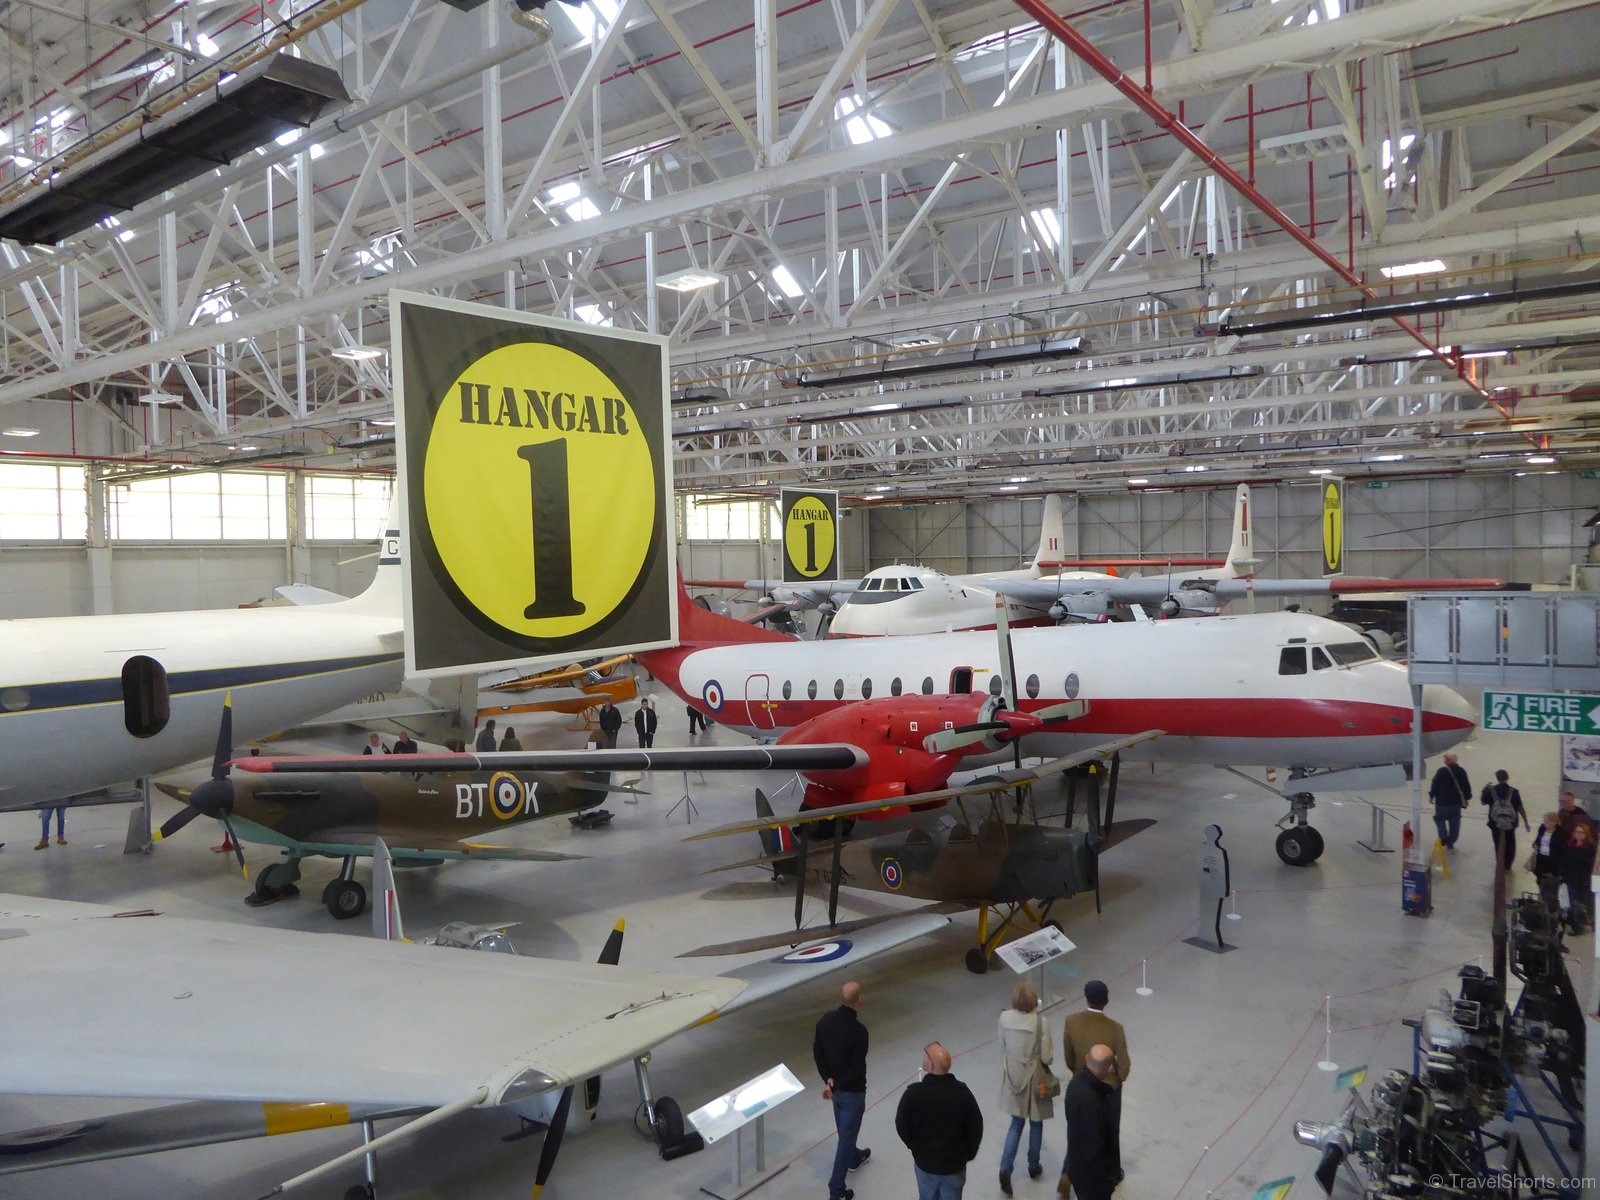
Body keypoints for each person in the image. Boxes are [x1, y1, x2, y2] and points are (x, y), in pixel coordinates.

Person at [894, 1041, 983, 1200]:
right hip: (953, 1167)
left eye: (926, 1055)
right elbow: (976, 1126)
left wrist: (914, 1146)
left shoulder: (913, 1094)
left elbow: (901, 1124)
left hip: (926, 1165)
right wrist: (967, 1154)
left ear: (931, 1064)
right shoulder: (962, 1094)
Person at [813, 981, 871, 1200]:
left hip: (835, 1091)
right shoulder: (860, 1032)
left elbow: (818, 1051)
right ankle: (836, 1187)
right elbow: (856, 1068)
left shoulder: (825, 1021)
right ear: (859, 1001)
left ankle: (854, 1158)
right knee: (845, 1138)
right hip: (852, 1093)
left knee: (846, 1131)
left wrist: (828, 1080)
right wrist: (836, 1085)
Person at [997, 982, 1052, 1196]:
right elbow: (1047, 1056)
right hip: (1035, 1077)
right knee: (1036, 1123)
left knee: (1016, 1122)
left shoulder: (1004, 1018)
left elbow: (1002, 1047)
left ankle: (1005, 1167)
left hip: (1014, 1076)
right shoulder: (1041, 1022)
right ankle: (1033, 1165)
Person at [1061, 980, 1129, 1136]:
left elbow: (1069, 1058)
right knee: (1109, 1136)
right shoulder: (1116, 1029)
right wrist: (1115, 1079)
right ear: (1106, 1001)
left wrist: (1078, 1072)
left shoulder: (1071, 1022)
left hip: (1081, 1085)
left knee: (1078, 1135)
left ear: (1086, 999)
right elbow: (1124, 1068)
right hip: (1109, 1091)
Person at [1061, 1045, 1122, 1200]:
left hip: (1077, 1168)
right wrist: (1108, 1179)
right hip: (1093, 1181)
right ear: (1109, 1069)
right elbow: (1095, 1148)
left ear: (1087, 1059)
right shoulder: (1096, 1100)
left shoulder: (1074, 1086)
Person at [1556, 791, 1596, 933]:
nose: (1562, 804)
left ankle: (1586, 923)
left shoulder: (1581, 817)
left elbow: (1589, 865)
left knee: (1583, 902)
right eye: (1561, 801)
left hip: (1582, 880)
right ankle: (1575, 924)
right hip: (1570, 878)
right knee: (1572, 901)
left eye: (1565, 801)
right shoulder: (1569, 845)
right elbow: (1565, 860)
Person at [1481, 768, 1529, 871]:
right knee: (1510, 843)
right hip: (1510, 823)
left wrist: (1485, 789)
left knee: (1498, 843)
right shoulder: (1514, 791)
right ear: (1507, 778)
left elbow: (1483, 802)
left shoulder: (1491, 790)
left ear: (1497, 778)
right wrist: (1526, 822)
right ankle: (1508, 864)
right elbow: (1520, 807)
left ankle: (1500, 863)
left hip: (1495, 822)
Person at [1427, 752, 1471, 849]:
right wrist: (1467, 797)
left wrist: (1431, 796)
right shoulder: (1461, 771)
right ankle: (1451, 841)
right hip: (1455, 804)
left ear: (1448, 761)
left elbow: (1435, 785)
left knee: (1439, 819)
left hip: (1441, 803)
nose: (1444, 761)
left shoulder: (1441, 771)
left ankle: (1443, 837)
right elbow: (1466, 786)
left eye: (1445, 759)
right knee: (1455, 823)